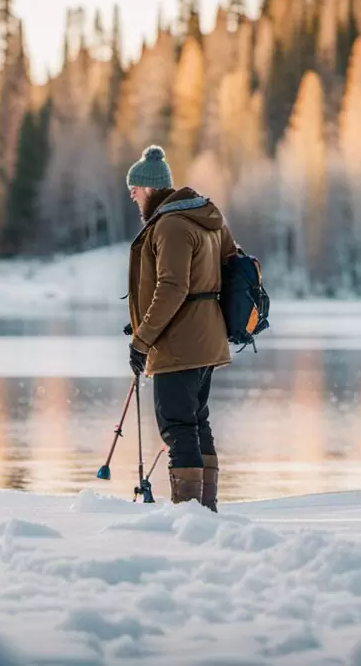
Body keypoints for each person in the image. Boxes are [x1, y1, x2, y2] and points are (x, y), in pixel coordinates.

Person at [124, 144, 236, 510]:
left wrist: (143, 339)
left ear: (152, 188)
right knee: (196, 422)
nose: (132, 195)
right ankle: (205, 510)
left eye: (136, 189)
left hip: (180, 344)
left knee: (177, 427)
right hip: (206, 340)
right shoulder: (203, 219)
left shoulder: (170, 225)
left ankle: (189, 514)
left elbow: (173, 287)